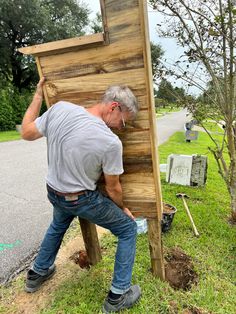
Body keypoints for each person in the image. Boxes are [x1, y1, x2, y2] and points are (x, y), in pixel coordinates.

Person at [21, 77, 141, 313]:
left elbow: (26, 132)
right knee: (128, 229)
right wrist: (122, 208)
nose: (120, 127)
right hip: (80, 198)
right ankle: (118, 295)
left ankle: (37, 273)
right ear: (113, 107)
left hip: (54, 191)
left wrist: (37, 97)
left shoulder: (60, 109)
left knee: (58, 222)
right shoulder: (110, 142)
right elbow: (112, 187)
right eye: (123, 122)